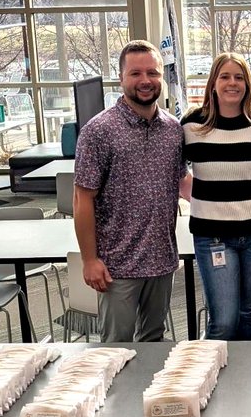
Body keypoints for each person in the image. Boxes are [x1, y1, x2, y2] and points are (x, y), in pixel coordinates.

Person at [73, 39, 189, 342]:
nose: (145, 81)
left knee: (153, 342)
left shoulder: (173, 129)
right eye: (136, 73)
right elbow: (82, 198)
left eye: (153, 73)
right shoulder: (99, 131)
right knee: (116, 349)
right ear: (121, 77)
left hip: (162, 260)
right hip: (117, 266)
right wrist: (89, 259)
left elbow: (182, 181)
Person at [181, 52, 251, 340]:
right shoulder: (192, 126)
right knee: (224, 320)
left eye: (239, 77)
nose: (232, 83)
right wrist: (204, 199)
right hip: (213, 236)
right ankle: (214, 379)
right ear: (213, 83)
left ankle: (245, 382)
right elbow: (175, 172)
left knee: (249, 313)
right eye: (224, 76)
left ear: (248, 84)